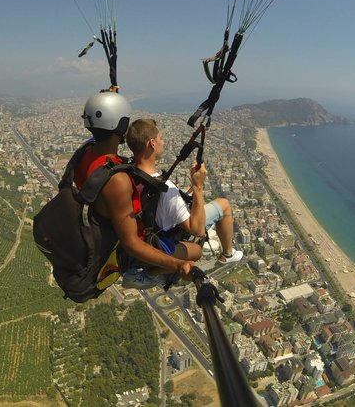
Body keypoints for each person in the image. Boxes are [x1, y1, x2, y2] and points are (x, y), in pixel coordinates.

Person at [76, 92, 195, 289]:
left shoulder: (86, 154)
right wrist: (178, 265)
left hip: (104, 225)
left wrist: (109, 100)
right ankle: (149, 277)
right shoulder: (118, 181)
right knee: (195, 249)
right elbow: (131, 243)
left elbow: (100, 128)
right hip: (126, 248)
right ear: (120, 125)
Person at [126, 118, 244, 265]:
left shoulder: (127, 174)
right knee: (224, 205)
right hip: (161, 240)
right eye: (160, 138)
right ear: (152, 143)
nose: (163, 142)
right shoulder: (167, 189)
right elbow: (197, 230)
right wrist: (198, 186)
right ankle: (228, 254)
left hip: (144, 232)